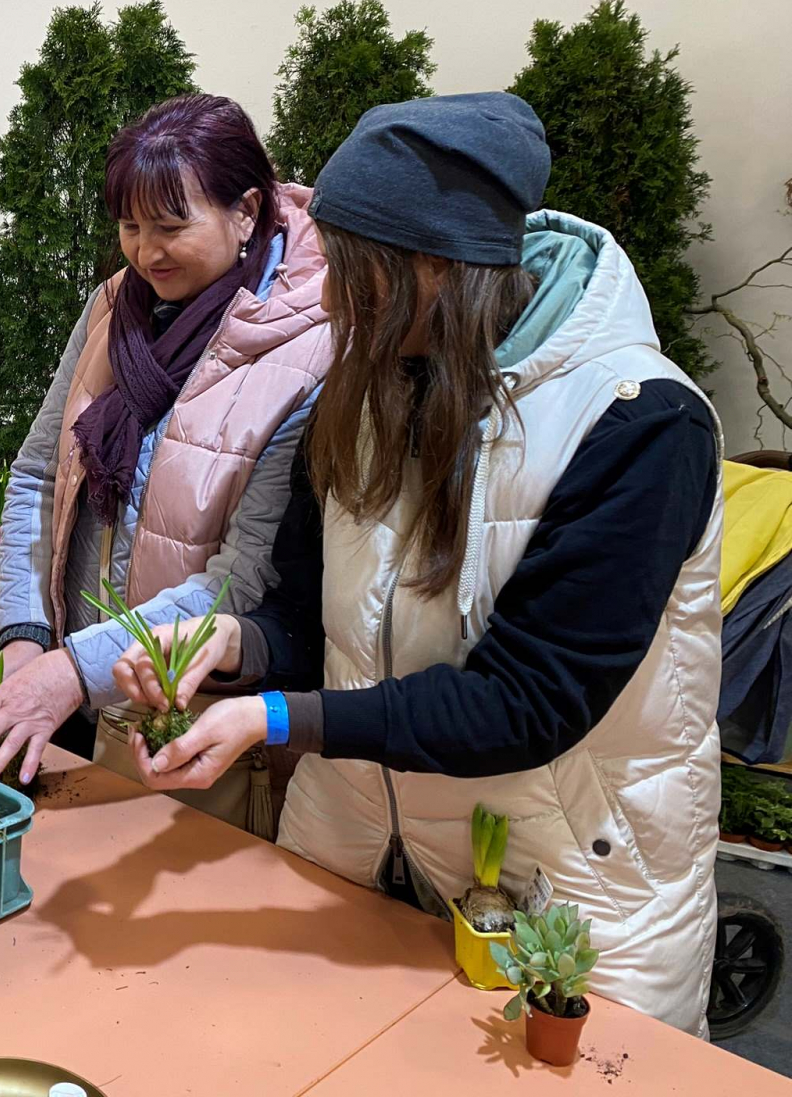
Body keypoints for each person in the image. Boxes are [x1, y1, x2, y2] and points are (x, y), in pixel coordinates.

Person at [111, 93, 722, 1034]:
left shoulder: (639, 423)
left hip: (567, 901)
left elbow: (531, 701)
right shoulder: (361, 395)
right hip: (353, 858)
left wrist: (276, 717)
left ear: (441, 266)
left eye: (356, 275)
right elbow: (308, 620)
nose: (328, 299)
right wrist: (235, 644)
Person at [0, 93, 334, 787]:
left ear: (245, 211)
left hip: (190, 729)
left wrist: (76, 670)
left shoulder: (306, 352)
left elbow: (242, 582)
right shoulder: (111, 306)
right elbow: (40, 475)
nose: (144, 252)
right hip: (65, 691)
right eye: (129, 226)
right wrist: (24, 642)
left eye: (168, 225)